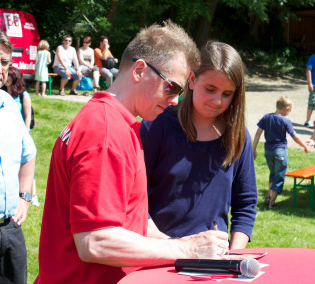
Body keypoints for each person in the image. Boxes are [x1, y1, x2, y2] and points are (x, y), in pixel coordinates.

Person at [36, 21, 239, 284]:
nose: (176, 99)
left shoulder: (119, 123)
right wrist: (185, 250)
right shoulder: (105, 133)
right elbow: (95, 241)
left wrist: (189, 247)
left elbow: (132, 222)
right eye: (172, 87)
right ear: (140, 70)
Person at [140, 41, 258, 249]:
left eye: (227, 94)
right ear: (192, 80)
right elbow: (134, 197)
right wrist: (173, 246)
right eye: (210, 89)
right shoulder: (157, 125)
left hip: (215, 259)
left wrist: (233, 255)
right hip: (159, 251)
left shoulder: (238, 137)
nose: (217, 101)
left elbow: (245, 204)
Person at [0, 26, 36, 283]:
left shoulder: (8, 104)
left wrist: (24, 196)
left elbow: (29, 154)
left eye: (4, 61)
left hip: (10, 229)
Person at [253, 96, 309, 209]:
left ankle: (268, 197)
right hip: (280, 152)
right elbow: (295, 137)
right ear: (286, 108)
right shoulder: (285, 120)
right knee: (279, 177)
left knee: (273, 174)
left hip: (268, 151)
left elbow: (258, 133)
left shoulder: (266, 117)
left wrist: (253, 148)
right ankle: (271, 204)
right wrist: (304, 145)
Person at [4, 66, 40, 206]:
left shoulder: (23, 95)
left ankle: (33, 194)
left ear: (15, 77)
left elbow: (27, 117)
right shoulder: (1, 93)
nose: (5, 77)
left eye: (9, 75)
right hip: (7, 135)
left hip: (21, 135)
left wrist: (25, 136)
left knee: (27, 164)